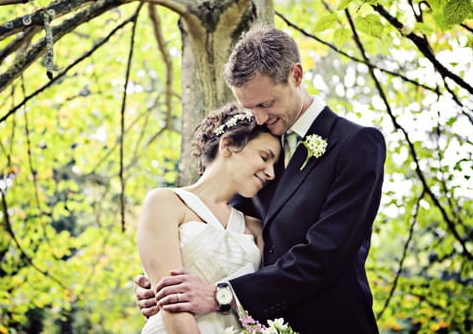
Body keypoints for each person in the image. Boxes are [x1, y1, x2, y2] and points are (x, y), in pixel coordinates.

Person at [135, 25, 386, 334]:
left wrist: (219, 295)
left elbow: (325, 256)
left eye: (266, 104)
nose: (259, 118)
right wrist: (164, 283)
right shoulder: (258, 151)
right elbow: (229, 235)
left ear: (296, 75)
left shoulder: (355, 144)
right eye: (248, 107)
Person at [137, 102, 281, 334]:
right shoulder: (165, 203)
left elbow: (265, 303)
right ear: (228, 145)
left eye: (275, 165)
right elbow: (172, 306)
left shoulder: (256, 228)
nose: (271, 173)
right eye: (265, 157)